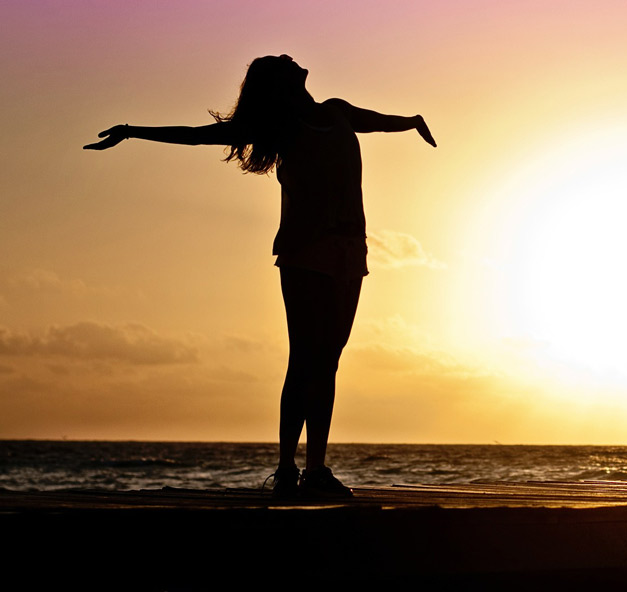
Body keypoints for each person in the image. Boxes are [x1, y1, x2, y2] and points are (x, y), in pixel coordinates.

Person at [84, 55, 437, 498]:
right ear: (281, 84)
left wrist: (412, 121)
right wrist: (134, 131)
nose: (294, 59)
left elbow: (380, 122)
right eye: (283, 63)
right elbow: (199, 137)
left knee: (326, 361)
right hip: (305, 252)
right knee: (307, 360)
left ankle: (311, 470)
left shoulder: (336, 111)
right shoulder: (283, 126)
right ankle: (295, 469)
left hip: (351, 252)